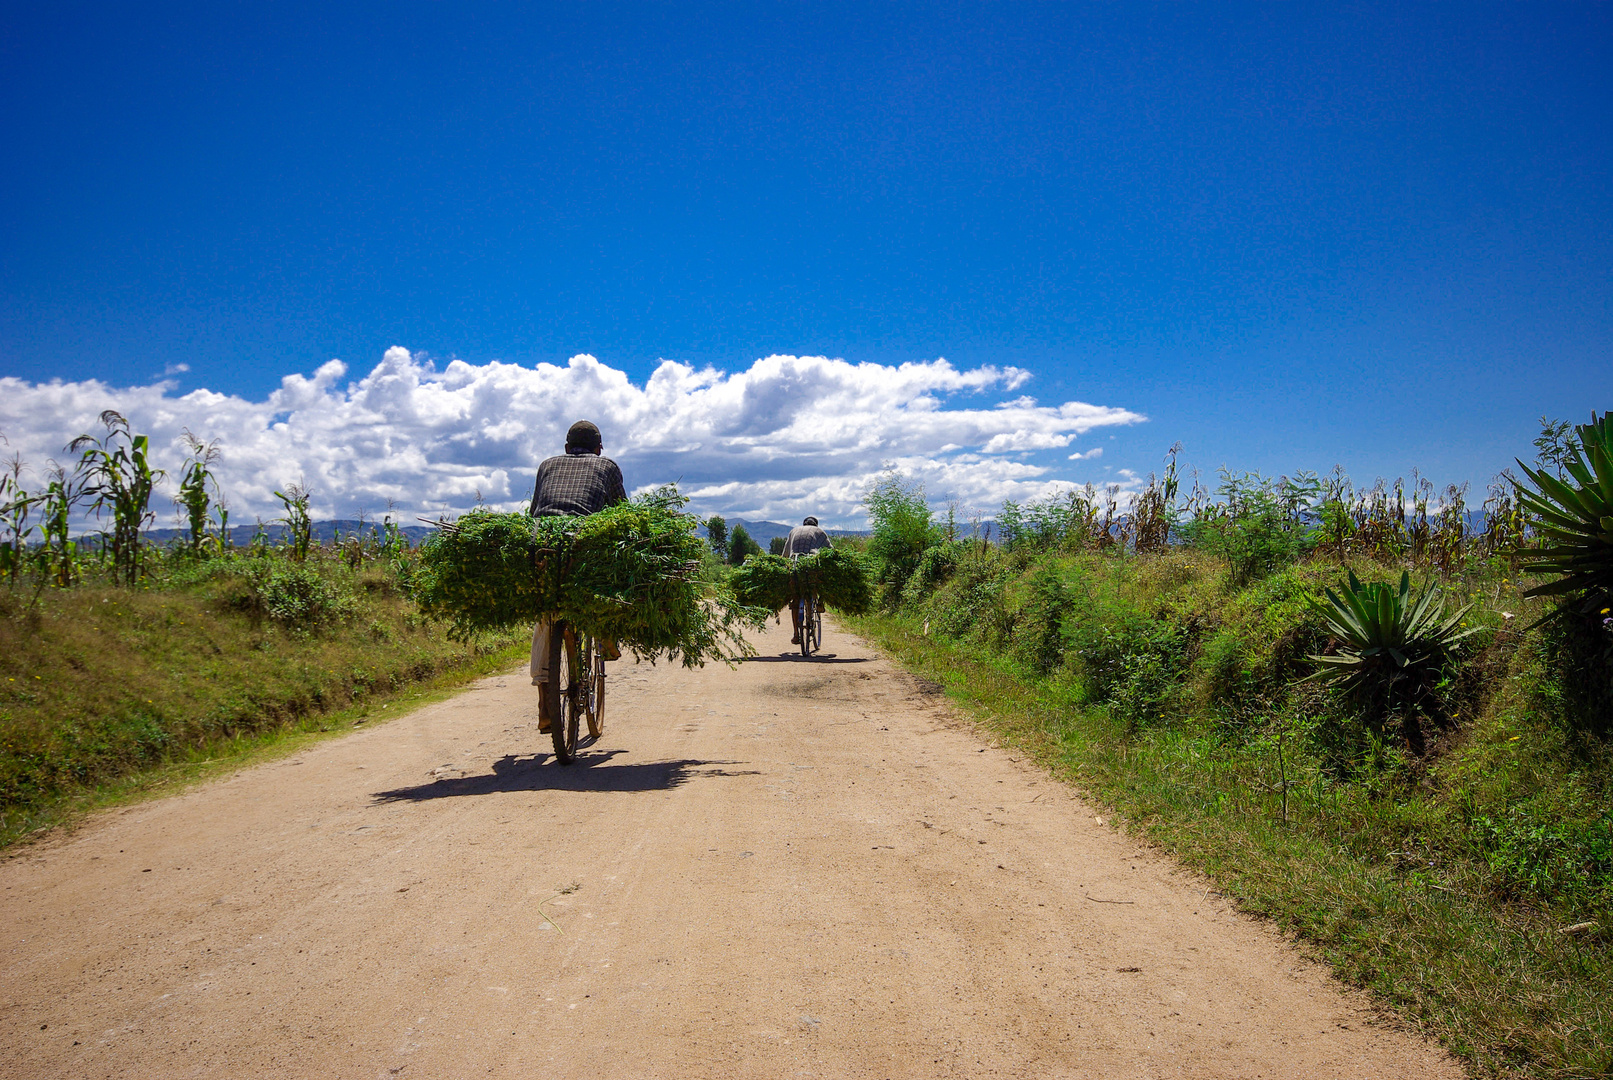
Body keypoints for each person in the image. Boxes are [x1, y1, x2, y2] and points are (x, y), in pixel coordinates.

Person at [528, 420, 627, 728]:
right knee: (610, 575)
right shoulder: (607, 465)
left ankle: (545, 703)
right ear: (599, 449)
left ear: (567, 448)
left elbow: (533, 512)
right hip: (583, 543)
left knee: (546, 616)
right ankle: (607, 632)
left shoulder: (546, 465)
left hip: (543, 542)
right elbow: (623, 513)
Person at [782, 516, 830, 644]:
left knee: (796, 599)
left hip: (795, 564)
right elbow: (831, 553)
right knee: (821, 580)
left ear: (803, 524)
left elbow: (785, 555)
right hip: (811, 564)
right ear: (816, 525)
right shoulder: (820, 532)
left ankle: (796, 634)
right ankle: (820, 602)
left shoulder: (793, 531)